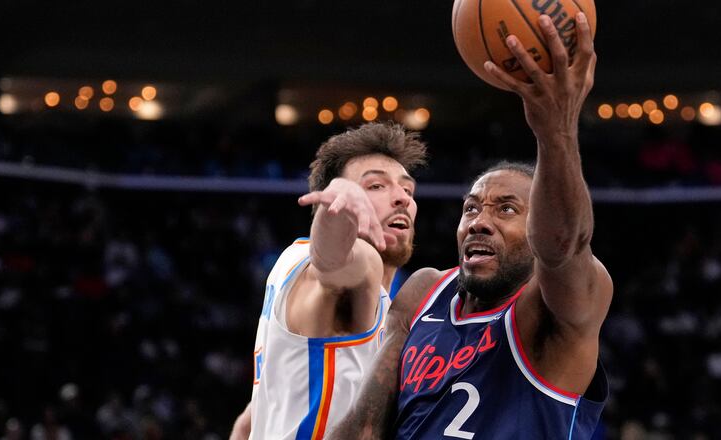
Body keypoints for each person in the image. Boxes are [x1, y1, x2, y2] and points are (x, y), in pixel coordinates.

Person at [327, 12, 610, 439]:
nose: (480, 221)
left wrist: (556, 132)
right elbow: (363, 429)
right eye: (472, 208)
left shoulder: (555, 310)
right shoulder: (423, 293)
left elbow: (564, 244)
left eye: (506, 209)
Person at [229, 122, 427, 440]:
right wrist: (337, 212)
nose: (401, 198)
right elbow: (334, 267)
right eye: (376, 186)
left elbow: (247, 424)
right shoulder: (354, 266)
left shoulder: (293, 261)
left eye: (407, 189)